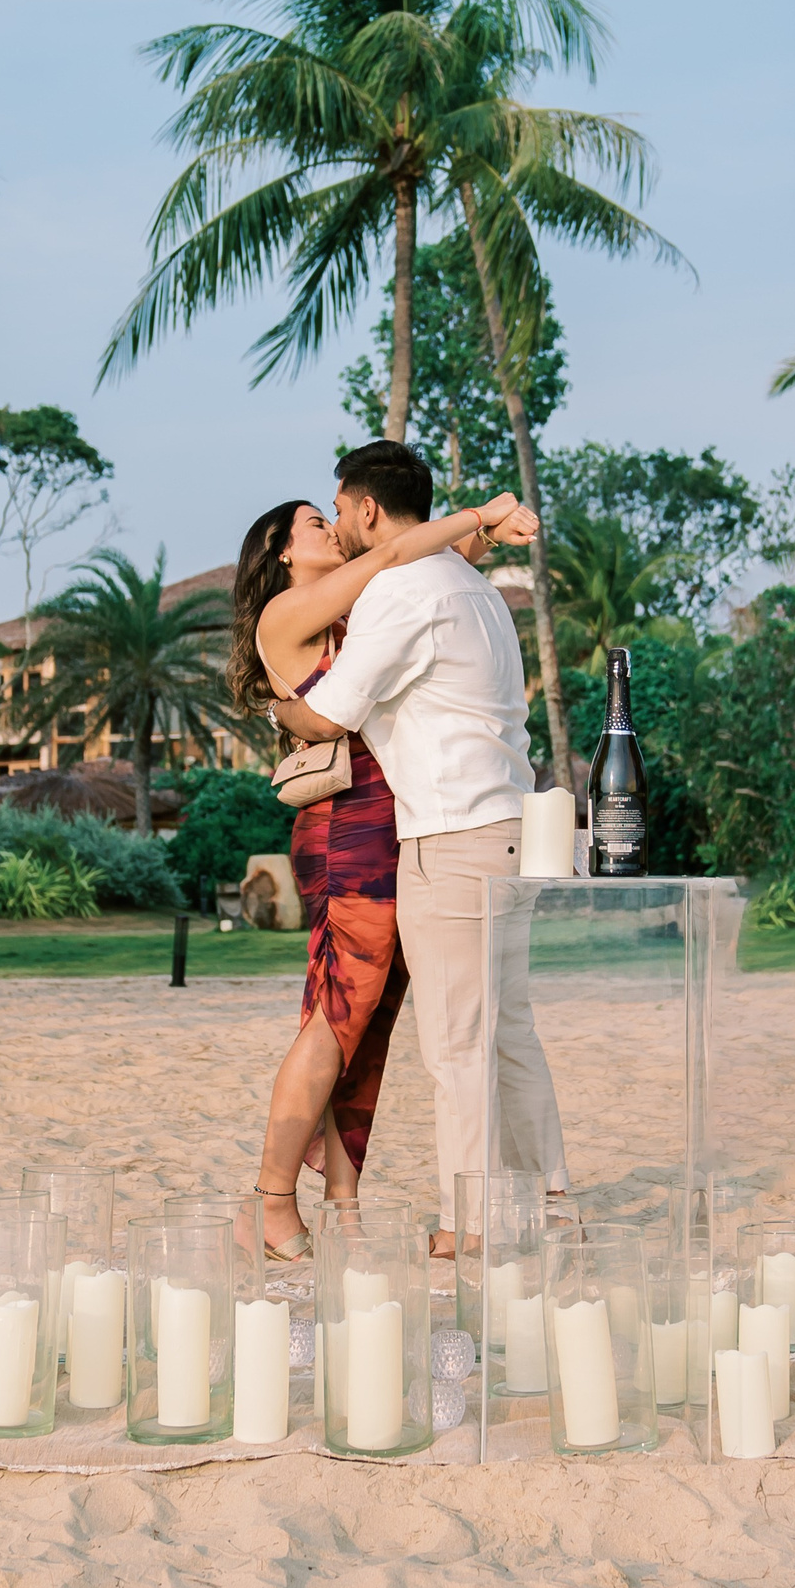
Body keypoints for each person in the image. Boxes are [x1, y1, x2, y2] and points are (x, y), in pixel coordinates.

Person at [227, 478, 539, 1259]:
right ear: (281, 553)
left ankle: (343, 1207)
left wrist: (483, 539)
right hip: (345, 831)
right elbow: (401, 551)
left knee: (369, 1026)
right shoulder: (285, 614)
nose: (331, 528)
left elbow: (425, 571)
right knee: (336, 1018)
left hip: (391, 825)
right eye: (313, 522)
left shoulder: (356, 604)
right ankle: (269, 1202)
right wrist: (480, 516)